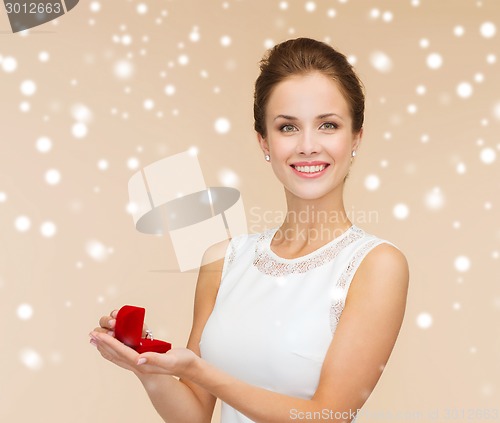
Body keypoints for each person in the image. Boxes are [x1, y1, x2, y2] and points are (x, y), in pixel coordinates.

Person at [90, 37, 409, 423]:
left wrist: (197, 369)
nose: (308, 146)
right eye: (288, 127)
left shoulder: (376, 266)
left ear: (356, 137)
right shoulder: (224, 260)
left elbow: (328, 415)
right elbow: (193, 415)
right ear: (264, 142)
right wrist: (147, 365)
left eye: (328, 125)